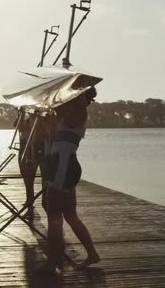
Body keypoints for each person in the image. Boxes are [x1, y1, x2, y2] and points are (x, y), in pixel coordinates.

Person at [42, 86, 100, 273]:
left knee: (54, 217)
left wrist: (70, 95)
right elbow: (51, 140)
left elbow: (75, 106)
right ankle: (92, 254)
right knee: (69, 216)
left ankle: (51, 263)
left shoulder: (79, 112)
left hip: (63, 168)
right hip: (60, 167)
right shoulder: (63, 114)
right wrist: (48, 119)